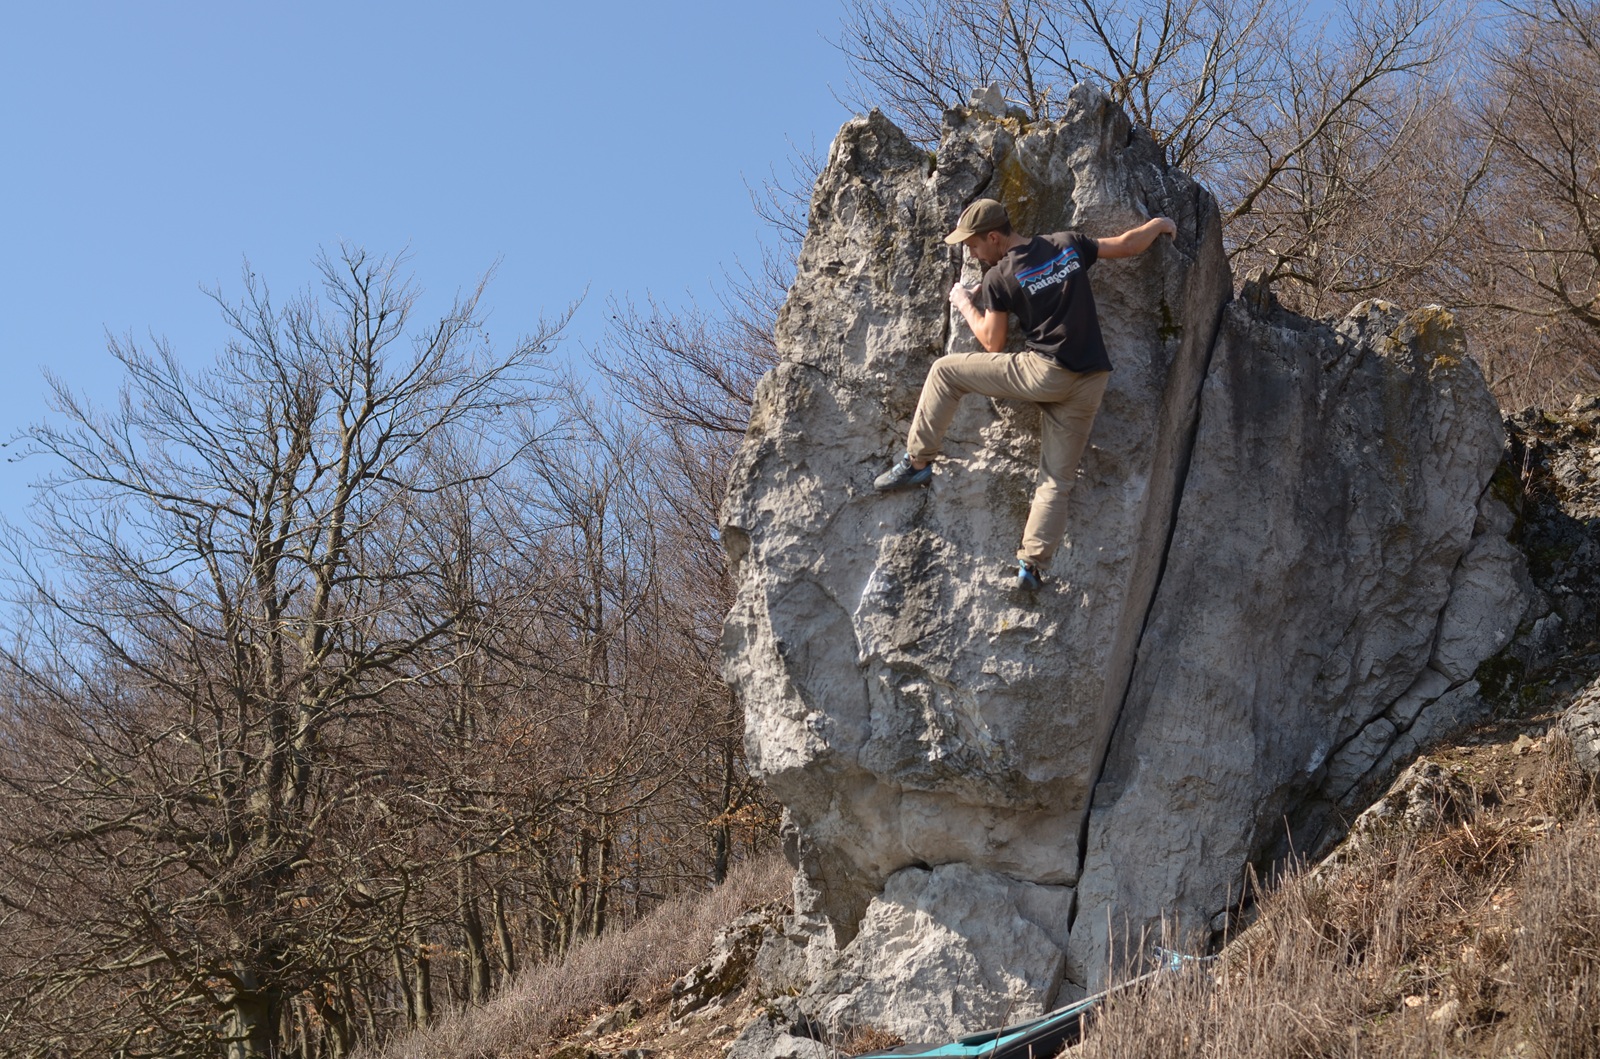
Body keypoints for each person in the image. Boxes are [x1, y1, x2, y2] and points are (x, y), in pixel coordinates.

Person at [874, 198, 1177, 590]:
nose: (972, 252)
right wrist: (1158, 224)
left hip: (1046, 372)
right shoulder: (1066, 243)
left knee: (945, 371)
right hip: (1092, 378)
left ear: (994, 237)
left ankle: (917, 463)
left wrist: (965, 303)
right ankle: (1030, 566)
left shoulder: (1001, 278)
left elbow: (993, 342)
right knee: (1056, 478)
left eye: (973, 245)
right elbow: (1126, 244)